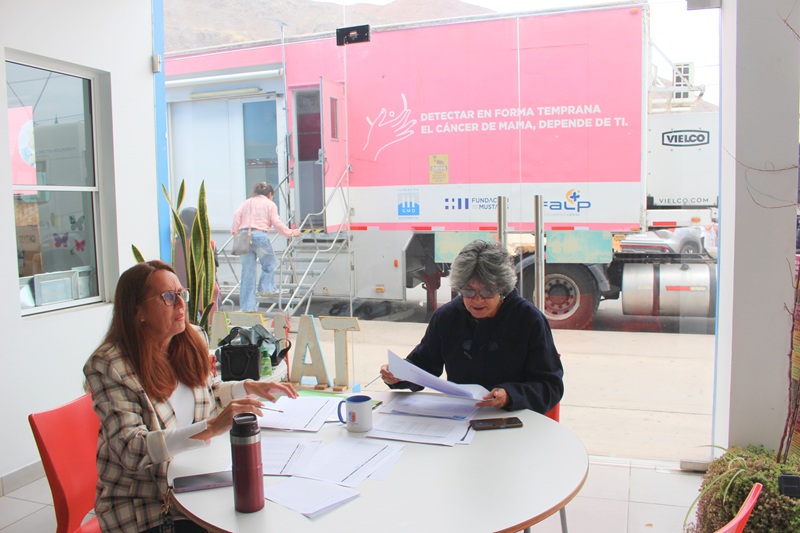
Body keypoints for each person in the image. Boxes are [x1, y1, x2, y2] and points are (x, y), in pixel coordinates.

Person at [83, 260, 298, 533]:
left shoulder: (190, 337)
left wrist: (246, 387)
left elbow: (205, 393)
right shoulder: (110, 365)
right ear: (138, 311)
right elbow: (130, 448)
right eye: (167, 297)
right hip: (147, 504)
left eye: (181, 294)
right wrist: (212, 427)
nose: (180, 304)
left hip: (195, 480)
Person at [379, 240, 563, 413]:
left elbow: (551, 385)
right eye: (469, 291)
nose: (477, 299)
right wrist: (398, 375)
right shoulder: (447, 317)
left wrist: (510, 395)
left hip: (513, 416)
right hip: (461, 416)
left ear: (502, 288)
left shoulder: (529, 320)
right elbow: (423, 365)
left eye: (487, 291)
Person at [231, 182, 300, 312]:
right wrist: (291, 233)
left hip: (244, 236)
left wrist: (235, 230)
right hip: (259, 236)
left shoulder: (247, 202)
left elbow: (236, 214)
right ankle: (266, 288)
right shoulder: (270, 204)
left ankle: (247, 308)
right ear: (269, 194)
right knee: (270, 263)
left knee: (247, 273)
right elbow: (276, 223)